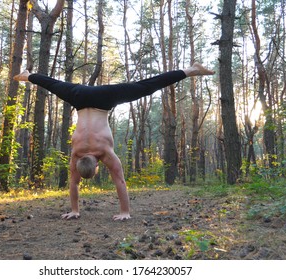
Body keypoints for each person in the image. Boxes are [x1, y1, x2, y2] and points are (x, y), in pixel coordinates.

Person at [14, 62, 214, 221]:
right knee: (52, 84)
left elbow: (119, 181)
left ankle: (191, 70)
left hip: (104, 100)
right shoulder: (76, 153)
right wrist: (73, 210)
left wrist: (124, 212)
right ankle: (27, 75)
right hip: (79, 97)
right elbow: (74, 184)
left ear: (97, 166)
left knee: (145, 87)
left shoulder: (104, 152)